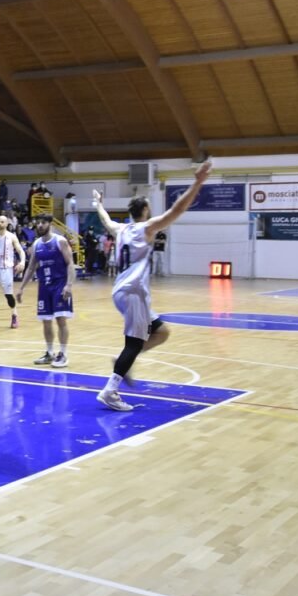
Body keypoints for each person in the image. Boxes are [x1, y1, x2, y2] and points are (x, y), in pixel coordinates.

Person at [94, 160, 213, 411]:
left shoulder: (122, 228)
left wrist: (98, 204)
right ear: (146, 210)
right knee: (134, 343)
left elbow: (105, 220)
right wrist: (198, 182)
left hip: (123, 291)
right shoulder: (146, 228)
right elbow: (176, 211)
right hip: (133, 290)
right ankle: (110, 390)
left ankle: (122, 362)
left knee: (161, 332)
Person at [16, 214, 77, 369]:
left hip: (60, 284)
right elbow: (31, 267)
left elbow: (70, 264)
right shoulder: (37, 244)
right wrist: (21, 288)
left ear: (50, 224)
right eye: (38, 223)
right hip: (44, 286)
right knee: (46, 321)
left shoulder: (60, 241)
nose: (40, 225)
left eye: (43, 223)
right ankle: (50, 352)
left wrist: (69, 285)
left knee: (61, 320)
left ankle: (63, 353)